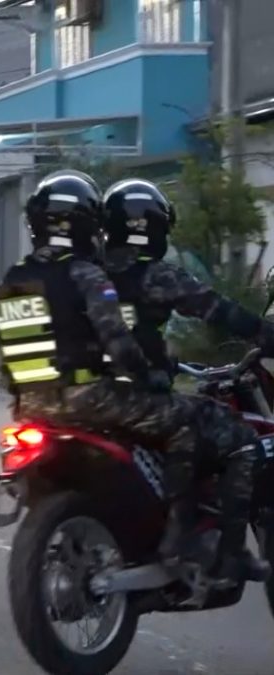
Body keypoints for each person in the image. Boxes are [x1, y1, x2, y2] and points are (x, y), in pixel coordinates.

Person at [0, 171, 268, 587]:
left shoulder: (15, 279)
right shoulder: (91, 274)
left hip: (32, 404)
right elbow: (120, 342)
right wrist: (148, 376)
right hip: (96, 398)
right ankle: (213, 550)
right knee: (225, 435)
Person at [101, 177, 273, 580]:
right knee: (241, 442)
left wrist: (165, 362)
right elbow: (215, 309)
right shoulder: (155, 275)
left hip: (88, 396)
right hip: (137, 402)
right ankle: (223, 552)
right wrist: (264, 333)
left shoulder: (85, 273)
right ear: (153, 228)